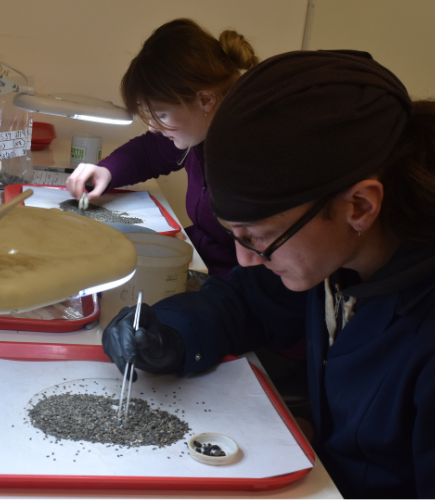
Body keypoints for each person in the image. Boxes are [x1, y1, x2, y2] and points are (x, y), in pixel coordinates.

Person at [101, 49, 435, 498]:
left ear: (359, 206)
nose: (246, 258)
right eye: (234, 236)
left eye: (259, 237)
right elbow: (247, 300)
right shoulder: (341, 257)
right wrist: (170, 335)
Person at [65, 18, 258, 277]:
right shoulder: (198, 133)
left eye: (162, 115)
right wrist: (106, 171)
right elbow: (148, 152)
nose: (154, 127)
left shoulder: (251, 159)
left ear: (205, 100)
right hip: (206, 265)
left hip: (239, 291)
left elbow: (258, 272)